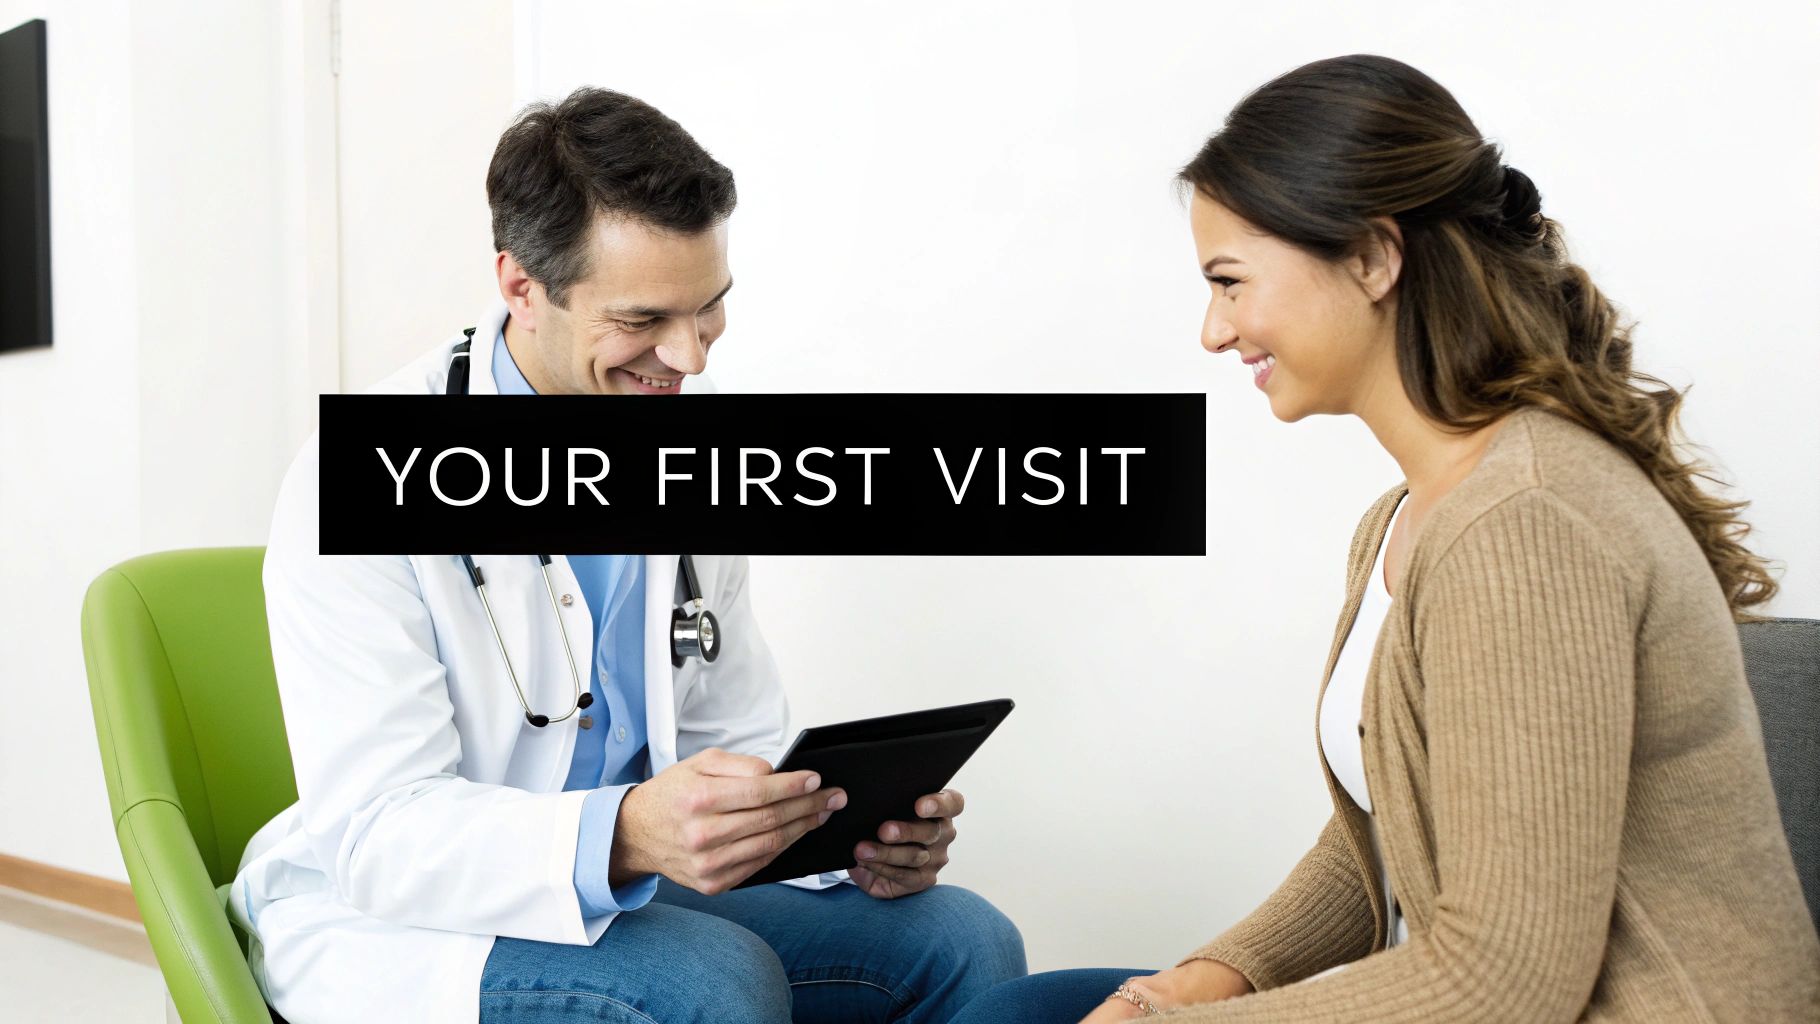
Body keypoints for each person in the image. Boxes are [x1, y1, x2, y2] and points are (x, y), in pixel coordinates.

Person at [955, 54, 1820, 1023]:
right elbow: (1372, 831)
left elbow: (1506, 981)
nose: (1213, 331)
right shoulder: (1406, 518)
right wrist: (1207, 979)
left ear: (1371, 258)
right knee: (1021, 1012)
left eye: (1230, 282)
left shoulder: (1522, 527)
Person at [228, 87, 1025, 1024]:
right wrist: (624, 831)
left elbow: (733, 726)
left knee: (961, 939)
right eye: (644, 319)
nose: (688, 358)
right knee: (711, 982)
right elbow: (379, 835)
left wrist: (834, 831)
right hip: (410, 920)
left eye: (709, 309)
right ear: (523, 286)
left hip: (627, 885)